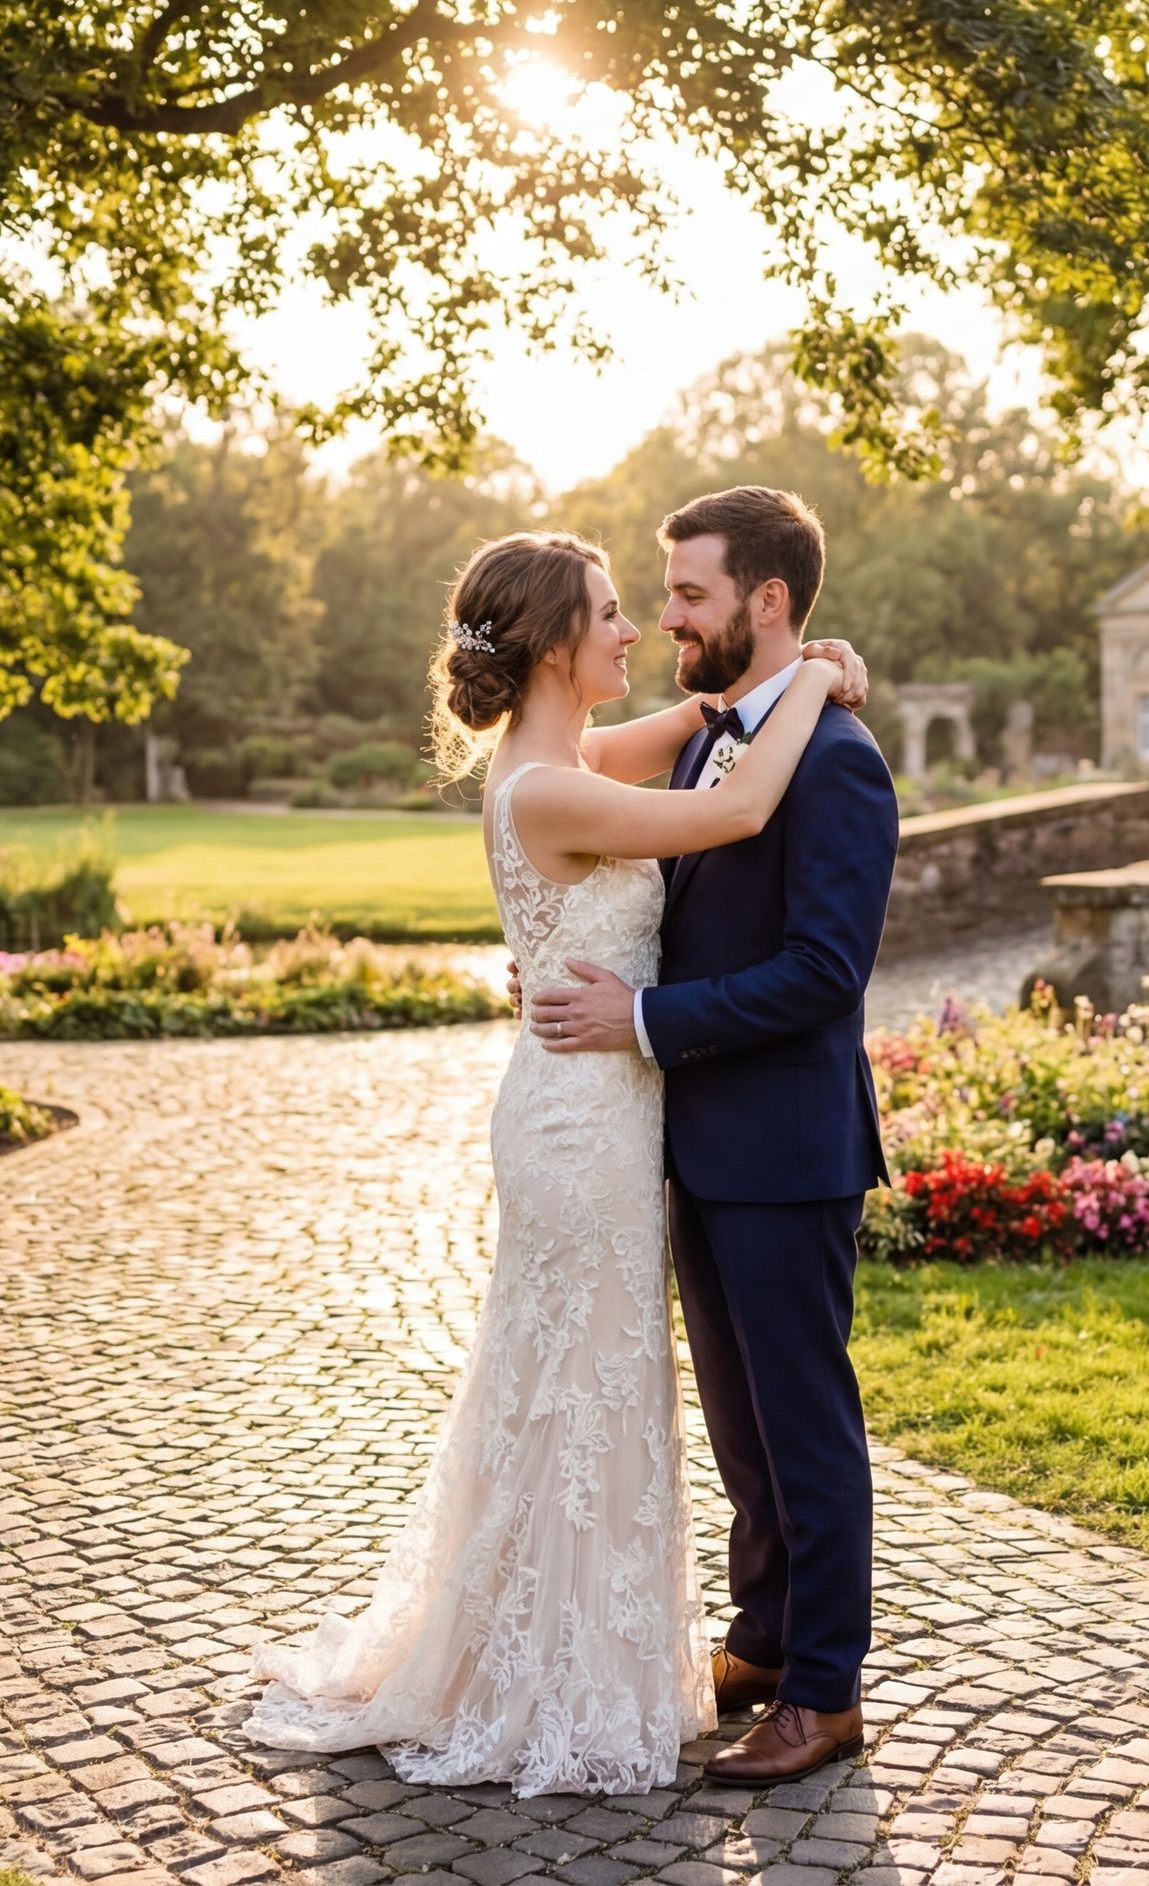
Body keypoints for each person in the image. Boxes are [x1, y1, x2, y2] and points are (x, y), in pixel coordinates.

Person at [244, 525, 870, 1797]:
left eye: (664, 599)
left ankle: (773, 1670)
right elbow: (733, 806)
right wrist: (810, 676)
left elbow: (717, 758)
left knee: (620, 1392)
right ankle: (563, 1658)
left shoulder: (574, 757)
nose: (641, 626)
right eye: (613, 610)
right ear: (550, 645)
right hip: (589, 1126)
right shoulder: (548, 785)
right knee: (588, 1388)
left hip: (624, 1110)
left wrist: (810, 668)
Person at [523, 486, 899, 1785]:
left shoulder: (838, 762)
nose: (671, 615)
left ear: (768, 601)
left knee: (803, 1424)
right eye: (664, 597)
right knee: (742, 1431)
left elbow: (820, 974)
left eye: (689, 593)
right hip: (697, 1148)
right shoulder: (714, 741)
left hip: (791, 1157)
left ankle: (825, 1689)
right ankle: (761, 1635)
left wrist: (643, 1017)